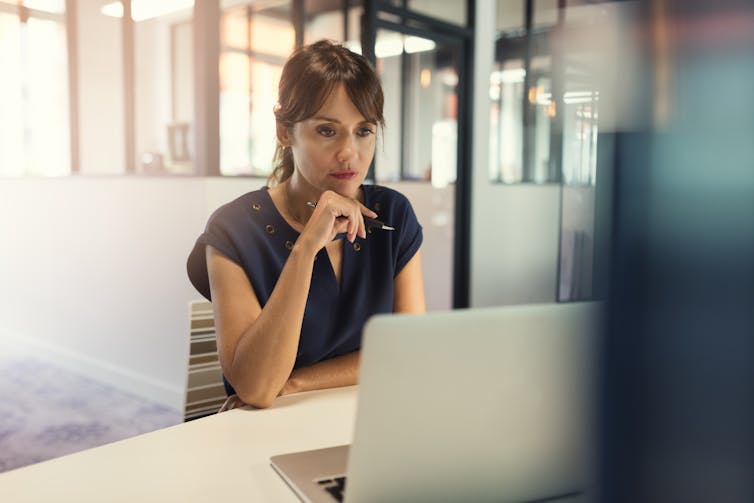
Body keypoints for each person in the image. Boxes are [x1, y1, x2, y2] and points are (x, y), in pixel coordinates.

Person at [187, 40, 426, 409]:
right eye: (327, 131)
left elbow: (409, 353)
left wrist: (296, 383)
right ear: (285, 131)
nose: (350, 153)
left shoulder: (392, 216)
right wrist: (304, 249)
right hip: (261, 439)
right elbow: (255, 387)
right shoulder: (234, 230)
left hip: (364, 423)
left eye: (363, 131)